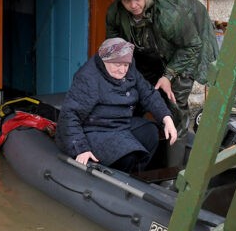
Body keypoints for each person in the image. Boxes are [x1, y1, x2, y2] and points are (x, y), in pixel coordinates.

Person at [106, 0, 219, 135]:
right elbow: (113, 46)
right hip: (149, 49)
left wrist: (168, 75)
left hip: (188, 44)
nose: (133, 5)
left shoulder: (169, 15)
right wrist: (117, 74)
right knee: (132, 92)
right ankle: (134, 142)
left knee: (174, 100)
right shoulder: (115, 13)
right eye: (127, 0)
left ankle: (175, 151)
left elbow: (191, 46)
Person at [55, 38, 177, 173]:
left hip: (121, 123)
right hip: (95, 128)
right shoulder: (88, 78)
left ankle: (135, 176)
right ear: (105, 60)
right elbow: (70, 114)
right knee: (127, 156)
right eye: (118, 65)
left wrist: (166, 118)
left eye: (125, 65)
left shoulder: (130, 69)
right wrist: (80, 149)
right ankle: (118, 180)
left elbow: (148, 93)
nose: (122, 70)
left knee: (150, 134)